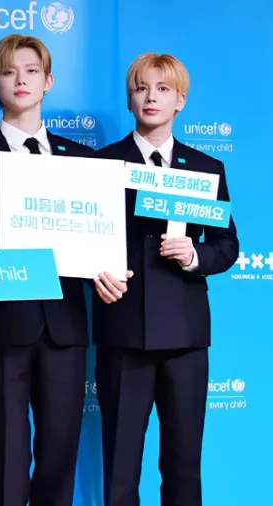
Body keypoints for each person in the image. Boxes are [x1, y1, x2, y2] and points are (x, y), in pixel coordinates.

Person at [0, 33, 96, 506]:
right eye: (9, 72)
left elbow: (100, 240)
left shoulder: (84, 160)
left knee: (59, 456)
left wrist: (107, 269)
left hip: (65, 326)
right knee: (5, 455)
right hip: (1, 325)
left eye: (31, 71)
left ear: (48, 81)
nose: (21, 80)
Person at [92, 52, 239, 506]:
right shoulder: (101, 164)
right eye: (141, 89)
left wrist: (195, 255)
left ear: (181, 100)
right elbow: (80, 241)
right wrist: (94, 269)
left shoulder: (206, 168)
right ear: (129, 100)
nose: (151, 97)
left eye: (162, 89)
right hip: (123, 333)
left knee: (183, 467)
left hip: (186, 336)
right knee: (120, 470)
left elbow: (227, 244)